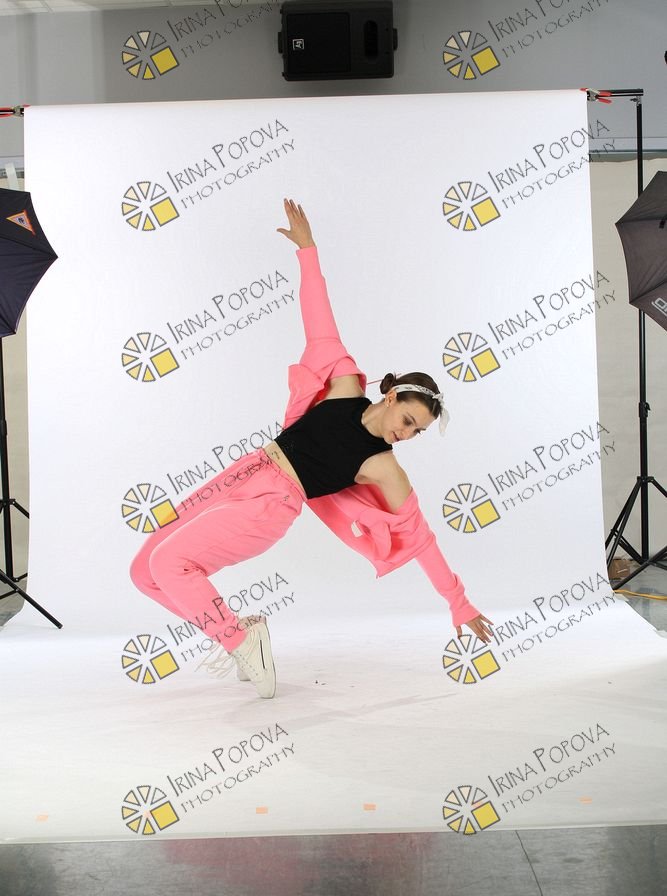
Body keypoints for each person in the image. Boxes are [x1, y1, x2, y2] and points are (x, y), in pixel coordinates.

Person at [130, 199, 493, 699]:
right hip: (245, 473)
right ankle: (241, 632)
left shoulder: (383, 468)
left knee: (170, 564)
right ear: (390, 397)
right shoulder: (342, 386)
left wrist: (459, 602)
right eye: (408, 421)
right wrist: (308, 251)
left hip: (272, 505)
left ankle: (240, 641)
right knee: (144, 571)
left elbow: (421, 538)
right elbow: (320, 319)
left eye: (418, 433)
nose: (407, 435)